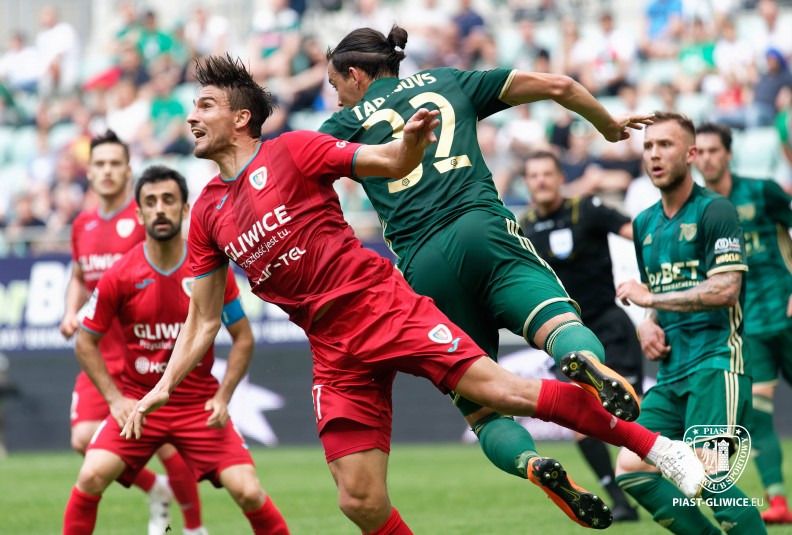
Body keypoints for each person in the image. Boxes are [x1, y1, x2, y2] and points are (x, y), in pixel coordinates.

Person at [121, 54, 706, 534]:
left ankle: (659, 448)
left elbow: (386, 159)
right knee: (358, 499)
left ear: (241, 117)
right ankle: (578, 391)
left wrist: (411, 146)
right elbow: (203, 320)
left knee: (501, 392)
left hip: (380, 305)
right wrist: (162, 389)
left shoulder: (293, 150)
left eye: (205, 105)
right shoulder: (207, 212)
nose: (191, 117)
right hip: (332, 347)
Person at [318, 25, 651, 521]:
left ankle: (532, 463)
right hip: (483, 229)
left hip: (422, 264)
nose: (337, 95)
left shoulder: (341, 124)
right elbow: (559, 85)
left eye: (335, 84)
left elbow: (291, 181)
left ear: (354, 74)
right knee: (559, 324)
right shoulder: (449, 81)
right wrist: (607, 125)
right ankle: (582, 360)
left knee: (481, 410)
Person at [63, 165, 288, 535]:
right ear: (139, 214)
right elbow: (85, 341)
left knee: (248, 491)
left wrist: (223, 396)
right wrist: (115, 399)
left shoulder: (209, 270)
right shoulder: (120, 274)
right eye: (150, 202)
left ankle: (194, 526)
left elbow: (243, 338)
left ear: (185, 209)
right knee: (90, 476)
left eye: (168, 200)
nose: (159, 209)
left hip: (197, 407)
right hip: (140, 406)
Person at [615, 112, 765, 534]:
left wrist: (650, 300)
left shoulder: (715, 210)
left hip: (717, 363)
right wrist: (647, 322)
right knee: (631, 467)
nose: (654, 154)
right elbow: (656, 290)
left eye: (665, 144)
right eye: (648, 146)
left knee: (710, 475)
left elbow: (726, 289)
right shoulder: (644, 223)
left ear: (691, 154)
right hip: (671, 372)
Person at [58, 130, 205, 534]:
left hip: (141, 350)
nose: (107, 171)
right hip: (98, 349)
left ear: (128, 170)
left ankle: (194, 526)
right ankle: (156, 489)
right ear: (89, 172)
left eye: (114, 164)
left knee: (167, 440)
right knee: (82, 439)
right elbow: (78, 276)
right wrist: (71, 311)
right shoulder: (83, 224)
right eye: (99, 164)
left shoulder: (145, 218)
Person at [519, 150, 641, 522]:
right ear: (526, 183)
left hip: (610, 327)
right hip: (567, 336)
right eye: (534, 175)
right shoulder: (523, 228)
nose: (541, 180)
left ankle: (651, 483)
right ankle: (620, 501)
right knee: (581, 422)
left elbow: (637, 232)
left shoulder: (586, 209)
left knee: (634, 414)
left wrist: (656, 279)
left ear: (561, 178)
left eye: (547, 173)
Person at [696, 122, 792, 524]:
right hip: (748, 327)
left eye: (713, 150)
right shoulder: (697, 210)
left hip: (787, 312)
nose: (706, 158)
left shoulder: (762, 191)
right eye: (699, 151)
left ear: (728, 154)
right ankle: (778, 501)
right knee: (759, 416)